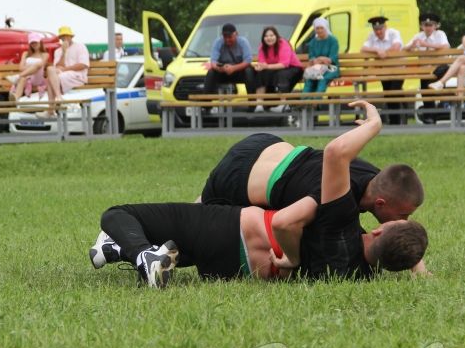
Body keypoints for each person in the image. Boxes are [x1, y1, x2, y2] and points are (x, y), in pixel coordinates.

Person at [93, 102, 428, 288]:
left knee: (118, 214)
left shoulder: (339, 217)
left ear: (381, 229)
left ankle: (139, 254)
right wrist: (413, 260)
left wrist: (374, 124)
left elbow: (334, 155)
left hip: (240, 194)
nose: (404, 219)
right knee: (180, 240)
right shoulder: (358, 275)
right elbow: (397, 232)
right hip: (235, 266)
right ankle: (115, 248)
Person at [197, 133, 424, 228]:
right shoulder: (334, 196)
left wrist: (416, 265)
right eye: (403, 216)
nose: (404, 222)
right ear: (380, 203)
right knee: (196, 218)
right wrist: (290, 259)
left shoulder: (377, 178)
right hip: (238, 177)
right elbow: (284, 223)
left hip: (265, 144)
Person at [361, 15, 406, 124]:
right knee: (388, 94)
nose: (378, 32)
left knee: (393, 93)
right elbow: (363, 49)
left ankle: (395, 121)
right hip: (383, 71)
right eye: (376, 29)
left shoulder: (394, 33)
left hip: (398, 69)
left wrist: (384, 52)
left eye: (380, 29)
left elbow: (396, 47)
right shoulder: (371, 36)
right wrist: (377, 50)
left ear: (385, 27)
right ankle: (397, 119)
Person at [42, 26, 89, 118]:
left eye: (67, 36)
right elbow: (58, 66)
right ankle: (59, 97)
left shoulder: (80, 46)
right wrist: (64, 52)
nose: (65, 38)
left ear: (71, 36)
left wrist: (64, 69)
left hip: (78, 76)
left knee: (50, 79)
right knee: (50, 69)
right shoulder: (58, 51)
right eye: (62, 36)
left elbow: (83, 65)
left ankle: (50, 110)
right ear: (60, 38)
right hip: (63, 75)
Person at [204, 23, 257, 95]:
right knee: (211, 72)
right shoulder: (218, 42)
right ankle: (207, 103)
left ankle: (252, 101)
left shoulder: (243, 42)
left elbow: (248, 60)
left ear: (236, 34)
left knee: (249, 71)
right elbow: (213, 61)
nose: (227, 39)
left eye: (230, 37)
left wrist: (233, 68)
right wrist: (220, 68)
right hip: (223, 71)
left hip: (239, 71)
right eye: (225, 37)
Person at [254, 26, 303, 95]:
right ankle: (259, 103)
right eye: (266, 36)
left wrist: (266, 66)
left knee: (281, 75)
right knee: (261, 74)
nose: (269, 38)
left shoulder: (283, 43)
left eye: (271, 35)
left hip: (293, 68)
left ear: (276, 36)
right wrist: (260, 67)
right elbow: (262, 63)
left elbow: (284, 64)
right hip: (275, 69)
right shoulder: (262, 46)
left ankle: (283, 103)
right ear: (263, 38)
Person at [5, 32, 49, 101]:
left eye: (36, 42)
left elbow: (41, 66)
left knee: (38, 65)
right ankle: (16, 98)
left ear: (40, 42)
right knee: (23, 78)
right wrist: (32, 68)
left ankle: (17, 77)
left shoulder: (45, 54)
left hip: (37, 78)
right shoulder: (25, 54)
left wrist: (31, 67)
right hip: (27, 78)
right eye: (32, 43)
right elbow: (21, 68)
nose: (34, 44)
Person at [302, 18, 339, 94]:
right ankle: (304, 103)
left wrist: (320, 59)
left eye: (321, 28)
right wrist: (317, 60)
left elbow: (332, 58)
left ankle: (316, 102)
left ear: (326, 28)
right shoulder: (313, 42)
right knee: (309, 80)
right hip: (317, 67)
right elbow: (311, 57)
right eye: (317, 28)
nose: (319, 30)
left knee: (322, 79)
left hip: (331, 67)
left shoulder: (333, 40)